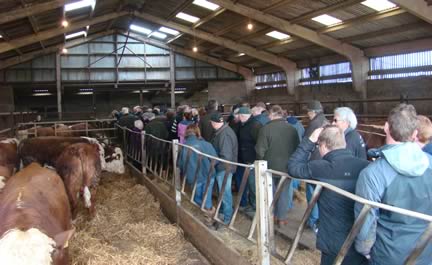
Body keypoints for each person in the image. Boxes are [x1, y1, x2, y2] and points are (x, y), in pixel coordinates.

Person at [355, 104, 432, 265]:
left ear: (386, 127)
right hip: (426, 252)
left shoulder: (372, 173)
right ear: (415, 133)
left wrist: (365, 249)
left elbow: (366, 221)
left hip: (388, 254)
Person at [288, 126, 369, 265]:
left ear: (324, 145)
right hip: (361, 238)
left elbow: (293, 166)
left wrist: (310, 141)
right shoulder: (366, 166)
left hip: (333, 240)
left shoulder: (320, 167)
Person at [255, 105, 299, 225]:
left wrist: (262, 161)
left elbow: (260, 150)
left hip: (269, 168)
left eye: (269, 114)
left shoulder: (265, 129)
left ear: (273, 115)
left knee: (270, 192)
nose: (268, 117)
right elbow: (297, 148)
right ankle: (282, 218)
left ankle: (271, 215)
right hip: (287, 167)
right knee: (284, 193)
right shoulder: (292, 129)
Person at [179, 124, 217, 212]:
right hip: (208, 174)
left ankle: (205, 209)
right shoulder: (206, 144)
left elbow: (180, 164)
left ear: (186, 134)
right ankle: (209, 213)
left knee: (197, 196)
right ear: (197, 132)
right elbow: (215, 160)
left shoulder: (183, 147)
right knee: (207, 196)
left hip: (193, 177)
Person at [304, 100, 328, 232]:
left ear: (312, 112)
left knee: (312, 193)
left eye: (308, 112)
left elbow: (307, 144)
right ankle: (320, 220)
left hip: (314, 162)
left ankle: (312, 221)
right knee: (321, 193)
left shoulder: (313, 124)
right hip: (325, 161)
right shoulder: (326, 121)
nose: (308, 114)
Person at [210, 112, 238, 224]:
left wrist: (213, 162)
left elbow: (226, 156)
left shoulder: (225, 134)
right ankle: (222, 212)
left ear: (214, 123)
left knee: (225, 192)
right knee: (222, 191)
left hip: (224, 168)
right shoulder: (221, 131)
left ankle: (227, 218)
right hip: (222, 167)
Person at [238, 106, 263, 214]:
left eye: (240, 116)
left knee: (254, 185)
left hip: (253, 160)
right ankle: (253, 205)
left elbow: (259, 143)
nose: (238, 117)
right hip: (246, 159)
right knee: (250, 184)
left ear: (243, 116)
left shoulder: (255, 126)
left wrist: (256, 160)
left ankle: (256, 208)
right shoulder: (244, 124)